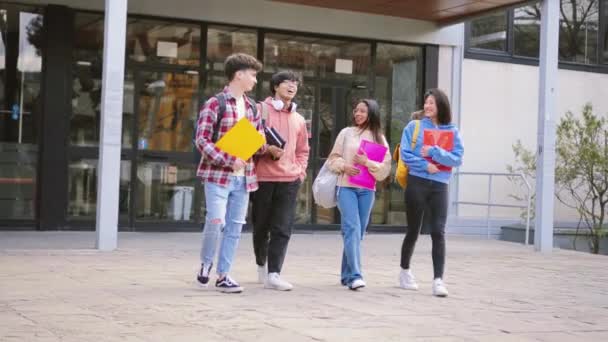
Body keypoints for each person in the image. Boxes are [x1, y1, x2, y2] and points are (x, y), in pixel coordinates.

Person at [194, 53, 272, 293]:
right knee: (216, 221)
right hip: (218, 177)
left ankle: (223, 274)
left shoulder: (251, 107)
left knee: (235, 228)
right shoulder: (215, 103)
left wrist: (261, 140)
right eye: (252, 75)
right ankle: (206, 263)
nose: (255, 80)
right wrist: (229, 159)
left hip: (244, 179)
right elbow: (202, 140)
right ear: (239, 74)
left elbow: (257, 144)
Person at [398, 88, 464, 297]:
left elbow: (457, 159)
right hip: (417, 182)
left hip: (440, 185)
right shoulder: (414, 126)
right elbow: (406, 155)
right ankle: (405, 271)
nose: (427, 106)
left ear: (440, 106)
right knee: (413, 230)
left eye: (432, 103)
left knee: (438, 231)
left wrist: (435, 152)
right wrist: (425, 166)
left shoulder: (452, 131)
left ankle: (438, 281)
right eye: (426, 102)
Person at [251, 71, 310, 291]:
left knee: (283, 227)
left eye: (296, 83)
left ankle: (274, 273)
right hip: (263, 179)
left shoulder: (299, 119)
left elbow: (303, 150)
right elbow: (242, 143)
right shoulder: (259, 110)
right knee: (260, 227)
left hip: (289, 180)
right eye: (287, 82)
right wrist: (266, 149)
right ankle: (261, 263)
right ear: (275, 86)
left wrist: (300, 171)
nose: (292, 86)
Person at [327, 99, 391, 290]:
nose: (358, 114)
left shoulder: (379, 137)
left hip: (367, 190)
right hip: (345, 187)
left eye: (363, 111)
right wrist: (344, 166)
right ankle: (356, 275)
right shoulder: (346, 133)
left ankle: (346, 274)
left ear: (371, 113)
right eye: (356, 111)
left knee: (357, 232)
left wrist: (366, 162)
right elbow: (332, 159)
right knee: (352, 227)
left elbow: (384, 170)